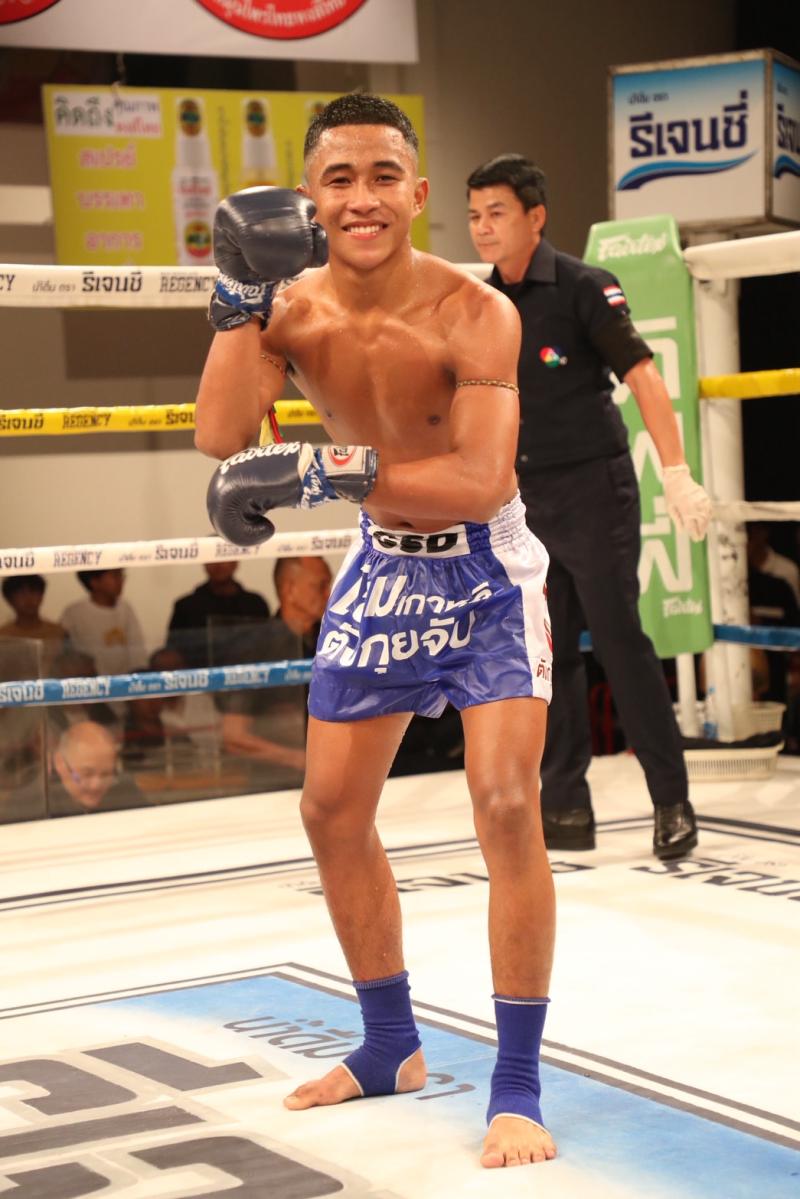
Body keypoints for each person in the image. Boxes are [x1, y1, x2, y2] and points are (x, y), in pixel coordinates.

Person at [195, 94, 556, 1169]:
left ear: (418, 191)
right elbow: (219, 432)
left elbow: (478, 478)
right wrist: (234, 296)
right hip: (381, 569)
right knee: (329, 809)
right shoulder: (288, 309)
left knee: (505, 801)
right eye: (340, 178)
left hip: (485, 566)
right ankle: (390, 1044)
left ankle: (516, 1086)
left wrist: (325, 469)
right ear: (310, 195)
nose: (362, 198)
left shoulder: (474, 312)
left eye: (383, 176)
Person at [466, 153, 712, 859]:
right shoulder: (482, 303)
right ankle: (566, 805)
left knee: (620, 644)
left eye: (497, 213)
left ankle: (672, 802)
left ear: (535, 217)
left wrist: (676, 472)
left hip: (594, 492)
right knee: (546, 656)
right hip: (522, 500)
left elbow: (644, 375)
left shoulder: (583, 285)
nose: (483, 228)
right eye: (474, 215)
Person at [215, 556, 332, 789]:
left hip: (330, 777)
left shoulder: (332, 639)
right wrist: (299, 760)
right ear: (290, 590)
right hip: (274, 786)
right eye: (320, 586)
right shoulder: (255, 648)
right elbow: (234, 737)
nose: (329, 594)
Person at [8, 720, 148, 819]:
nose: (96, 785)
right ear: (60, 764)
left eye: (106, 775)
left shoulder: (124, 789)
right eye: (87, 774)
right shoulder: (28, 804)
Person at [167, 561, 271, 667]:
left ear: (235, 562)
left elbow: (268, 646)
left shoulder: (255, 604)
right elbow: (173, 650)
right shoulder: (186, 606)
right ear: (204, 563)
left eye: (224, 559)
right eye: (212, 560)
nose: (218, 565)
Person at [60, 569, 146, 677]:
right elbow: (63, 652)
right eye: (115, 576)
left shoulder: (125, 608)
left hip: (125, 681)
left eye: (121, 575)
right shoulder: (74, 613)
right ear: (94, 582)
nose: (121, 580)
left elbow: (137, 650)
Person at [0, 574, 65, 673]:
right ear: (10, 599)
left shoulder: (58, 632)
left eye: (33, 592)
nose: (29, 598)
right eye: (21, 594)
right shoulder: (3, 636)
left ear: (41, 596)